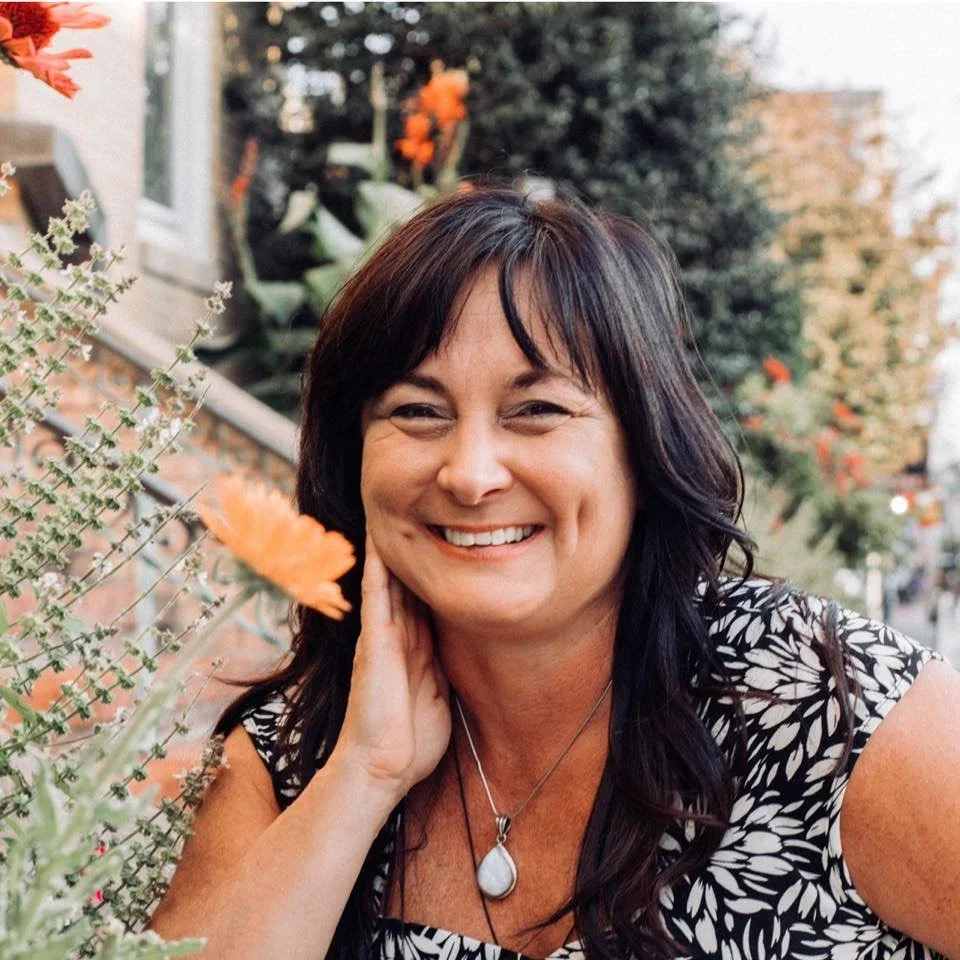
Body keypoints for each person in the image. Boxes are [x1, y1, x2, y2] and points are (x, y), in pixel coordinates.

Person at [146, 188, 960, 960]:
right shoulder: (297, 753)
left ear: (643, 450)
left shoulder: (828, 712)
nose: (469, 474)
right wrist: (365, 777)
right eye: (417, 411)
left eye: (535, 410)